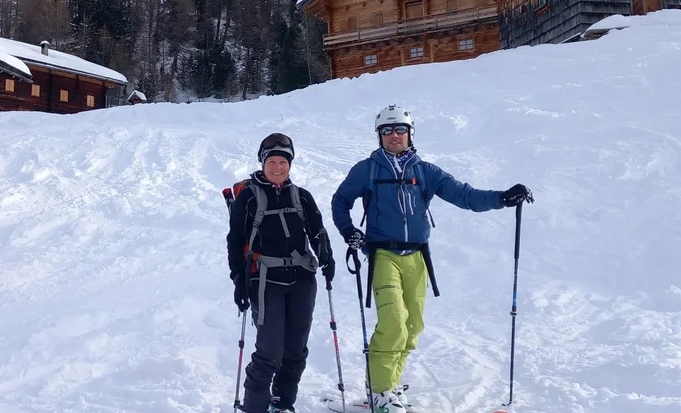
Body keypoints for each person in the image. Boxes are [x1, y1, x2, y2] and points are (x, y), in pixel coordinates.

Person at [331, 105, 533, 413]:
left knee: (413, 325)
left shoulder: (425, 171)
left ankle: (390, 385)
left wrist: (502, 198)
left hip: (417, 257)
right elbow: (340, 200)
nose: (394, 135)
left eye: (400, 129)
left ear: (410, 133)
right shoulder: (367, 170)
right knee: (394, 322)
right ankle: (380, 392)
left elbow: (465, 195)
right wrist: (349, 231)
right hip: (383, 255)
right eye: (387, 130)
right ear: (379, 136)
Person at [227, 132, 335, 413]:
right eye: (272, 162)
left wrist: (326, 256)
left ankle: (282, 403)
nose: (277, 168)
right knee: (270, 352)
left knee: (296, 350)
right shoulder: (248, 198)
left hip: (302, 280)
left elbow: (317, 231)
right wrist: (238, 280)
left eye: (283, 162)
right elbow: (235, 240)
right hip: (265, 282)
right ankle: (255, 408)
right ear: (263, 163)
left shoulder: (302, 196)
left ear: (290, 164)